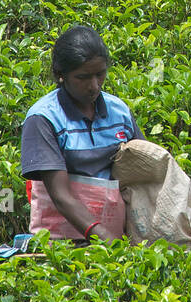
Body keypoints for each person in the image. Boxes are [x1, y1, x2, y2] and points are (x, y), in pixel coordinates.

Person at [20, 26, 140, 242]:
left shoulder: (119, 112)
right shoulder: (44, 118)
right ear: (61, 76)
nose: (94, 86)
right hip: (60, 242)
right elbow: (61, 196)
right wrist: (105, 239)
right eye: (83, 77)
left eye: (100, 74)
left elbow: (147, 172)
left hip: (117, 236)